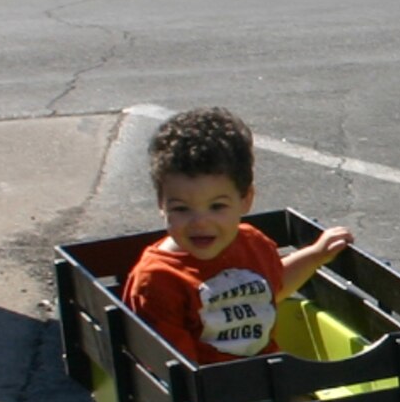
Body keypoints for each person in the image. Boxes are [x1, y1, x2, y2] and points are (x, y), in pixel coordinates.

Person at [123, 108, 353, 364]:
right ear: (161, 204)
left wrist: (315, 255)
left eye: (217, 206)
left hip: (266, 375)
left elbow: (272, 288)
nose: (200, 222)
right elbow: (176, 370)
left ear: (245, 200)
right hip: (205, 391)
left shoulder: (252, 243)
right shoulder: (158, 279)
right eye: (181, 209)